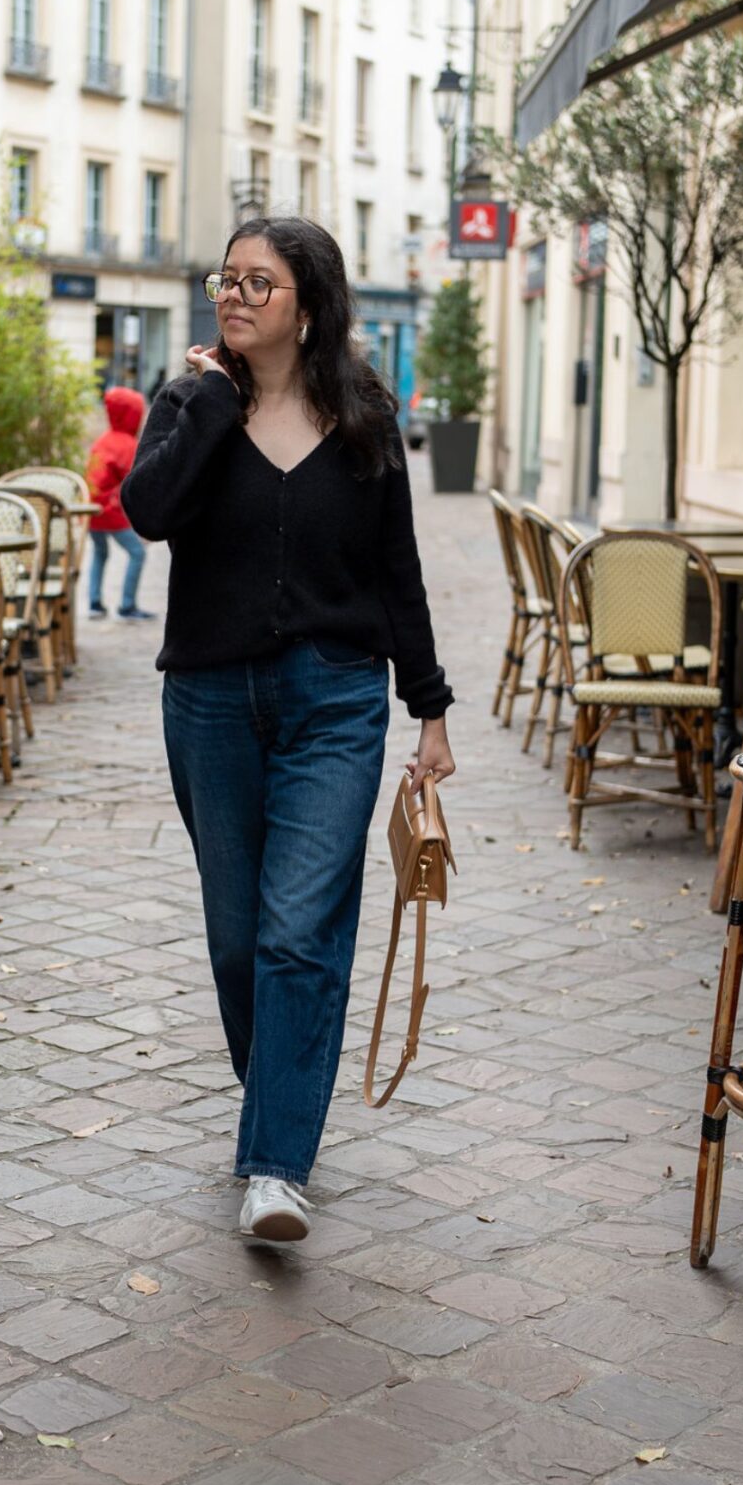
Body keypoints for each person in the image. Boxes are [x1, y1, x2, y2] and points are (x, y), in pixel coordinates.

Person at [123, 217, 455, 1244]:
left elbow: (397, 571)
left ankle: (275, 1167)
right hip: (212, 704)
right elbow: (148, 511)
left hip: (336, 704)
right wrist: (217, 399)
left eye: (258, 284)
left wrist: (430, 707)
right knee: (236, 944)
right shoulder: (191, 400)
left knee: (296, 933)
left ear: (307, 305)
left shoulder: (363, 418)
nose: (235, 295)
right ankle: (278, 1100)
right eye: (227, 280)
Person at [85, 386, 155, 621]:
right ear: (131, 415)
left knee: (99, 552)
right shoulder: (127, 445)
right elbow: (135, 485)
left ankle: (94, 602)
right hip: (113, 511)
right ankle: (127, 605)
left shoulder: (102, 441)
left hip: (92, 510)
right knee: (137, 552)